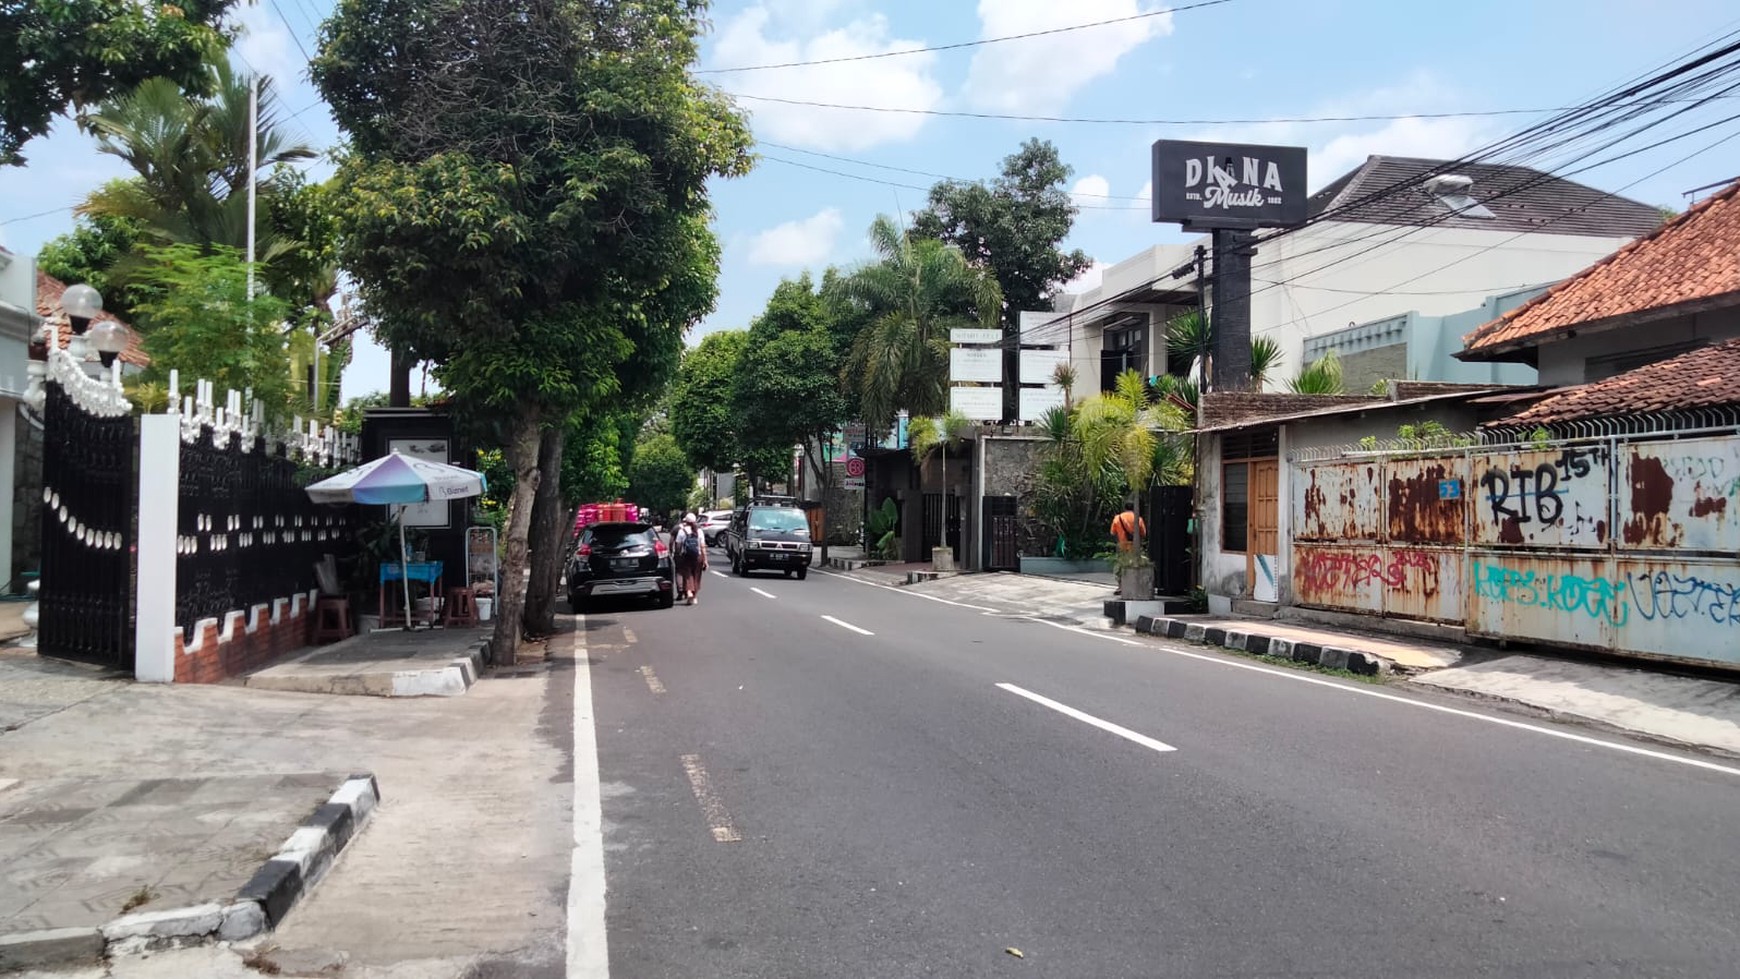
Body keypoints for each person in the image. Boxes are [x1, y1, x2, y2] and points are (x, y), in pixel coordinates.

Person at [674, 512, 709, 606]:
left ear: (686, 521)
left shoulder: (682, 531)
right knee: (697, 576)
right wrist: (705, 560)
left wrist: (678, 554)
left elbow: (678, 545)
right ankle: (694, 596)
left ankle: (689, 591)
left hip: (686, 557)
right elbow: (702, 546)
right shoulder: (699, 531)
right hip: (698, 557)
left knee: (688, 575)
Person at [1109, 507, 1146, 596]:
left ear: (1124, 508)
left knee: (1120, 566)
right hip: (1135, 547)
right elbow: (1143, 533)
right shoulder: (1138, 518)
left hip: (1122, 546)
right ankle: (1135, 585)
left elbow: (1112, 532)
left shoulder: (1117, 518)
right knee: (1136, 565)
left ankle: (1121, 586)